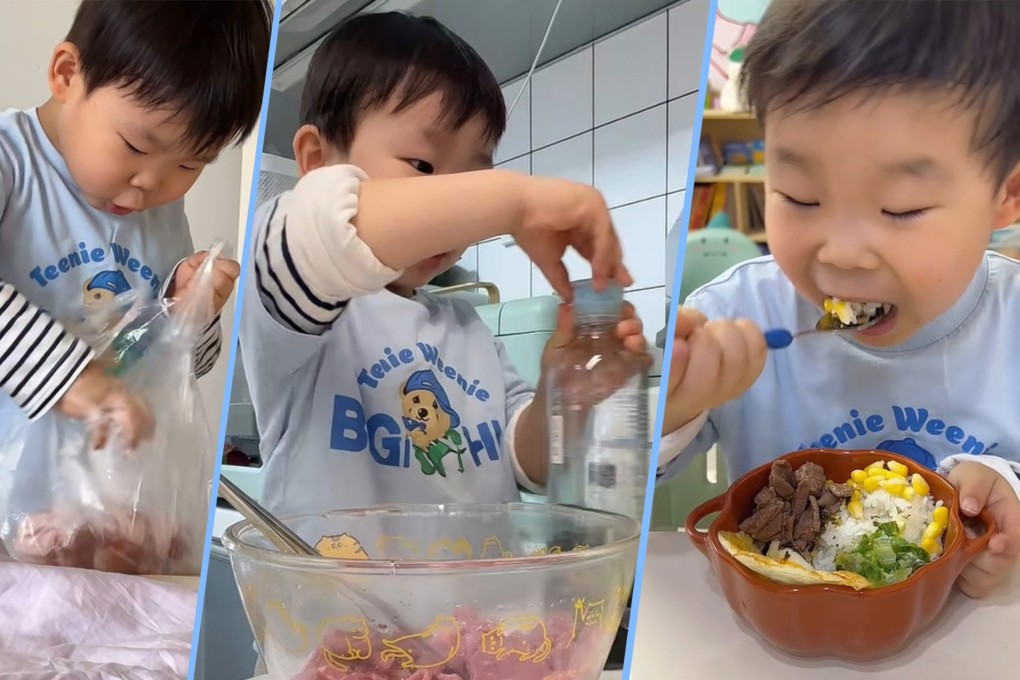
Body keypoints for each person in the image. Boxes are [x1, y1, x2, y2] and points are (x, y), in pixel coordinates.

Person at [658, 0, 1020, 599]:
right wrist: (674, 403)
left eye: (901, 208)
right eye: (799, 196)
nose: (843, 255)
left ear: (1006, 195)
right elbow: (637, 472)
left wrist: (1010, 490)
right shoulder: (739, 314)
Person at [240, 11, 650, 517]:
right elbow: (320, 228)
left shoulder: (468, 330)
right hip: (337, 597)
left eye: (472, 178)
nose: (460, 211)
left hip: (480, 596)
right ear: (317, 160)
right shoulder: (301, 307)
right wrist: (513, 202)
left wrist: (564, 394)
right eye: (423, 166)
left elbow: (526, 464)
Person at [0, 0, 271, 446]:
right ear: (67, 75)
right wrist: (67, 375)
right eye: (136, 146)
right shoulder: (12, 161)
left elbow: (188, 368)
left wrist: (191, 315)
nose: (152, 183)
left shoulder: (160, 212)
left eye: (189, 165)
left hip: (86, 499)